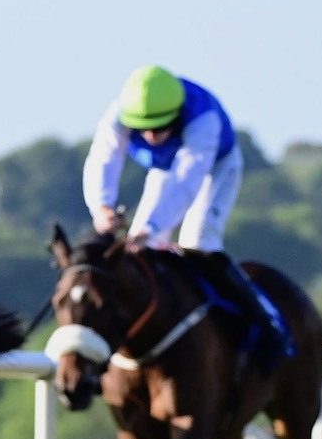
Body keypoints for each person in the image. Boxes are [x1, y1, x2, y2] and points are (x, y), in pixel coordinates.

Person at [82, 65, 291, 366]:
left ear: (177, 115)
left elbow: (186, 179)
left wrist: (152, 226)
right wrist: (101, 207)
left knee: (198, 242)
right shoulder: (119, 112)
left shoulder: (202, 118)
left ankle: (265, 325)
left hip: (214, 167)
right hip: (165, 169)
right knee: (141, 251)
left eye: (160, 127)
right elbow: (104, 158)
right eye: (143, 128)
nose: (151, 136)